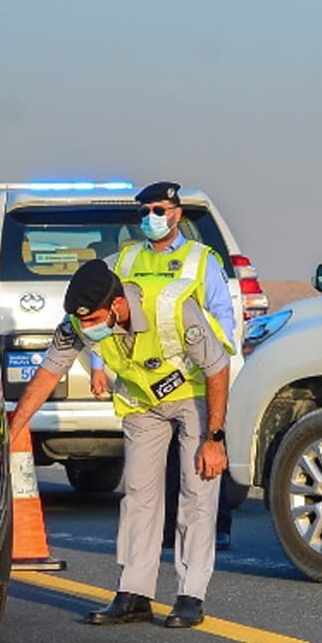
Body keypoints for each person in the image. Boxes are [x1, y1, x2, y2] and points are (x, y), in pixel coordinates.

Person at [11, 259, 230, 628]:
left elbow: (217, 368)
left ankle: (190, 596)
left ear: (116, 305)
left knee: (196, 493)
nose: (88, 329)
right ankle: (134, 594)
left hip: (194, 398)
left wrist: (215, 439)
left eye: (94, 320)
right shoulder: (78, 324)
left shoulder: (172, 306)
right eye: (83, 322)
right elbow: (49, 373)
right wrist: (15, 428)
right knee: (138, 496)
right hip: (142, 404)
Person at [88, 181, 240, 550]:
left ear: (177, 214)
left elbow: (221, 313)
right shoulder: (124, 261)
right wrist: (97, 364)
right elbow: (103, 316)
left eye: (159, 210)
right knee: (141, 488)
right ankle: (136, 583)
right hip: (143, 387)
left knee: (200, 477)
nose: (151, 218)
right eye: (145, 212)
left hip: (193, 379)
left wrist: (216, 355)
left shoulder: (200, 259)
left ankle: (197, 575)